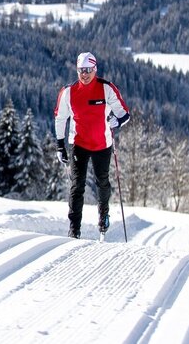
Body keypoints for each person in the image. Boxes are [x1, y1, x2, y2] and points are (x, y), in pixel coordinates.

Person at [54, 52, 130, 239]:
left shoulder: (107, 88)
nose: (84, 74)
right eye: (81, 70)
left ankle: (103, 215)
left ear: (95, 69)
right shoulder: (68, 92)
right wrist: (59, 145)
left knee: (102, 182)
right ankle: (74, 228)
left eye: (88, 70)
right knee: (77, 185)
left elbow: (124, 114)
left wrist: (116, 122)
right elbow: (60, 118)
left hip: (102, 144)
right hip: (78, 143)